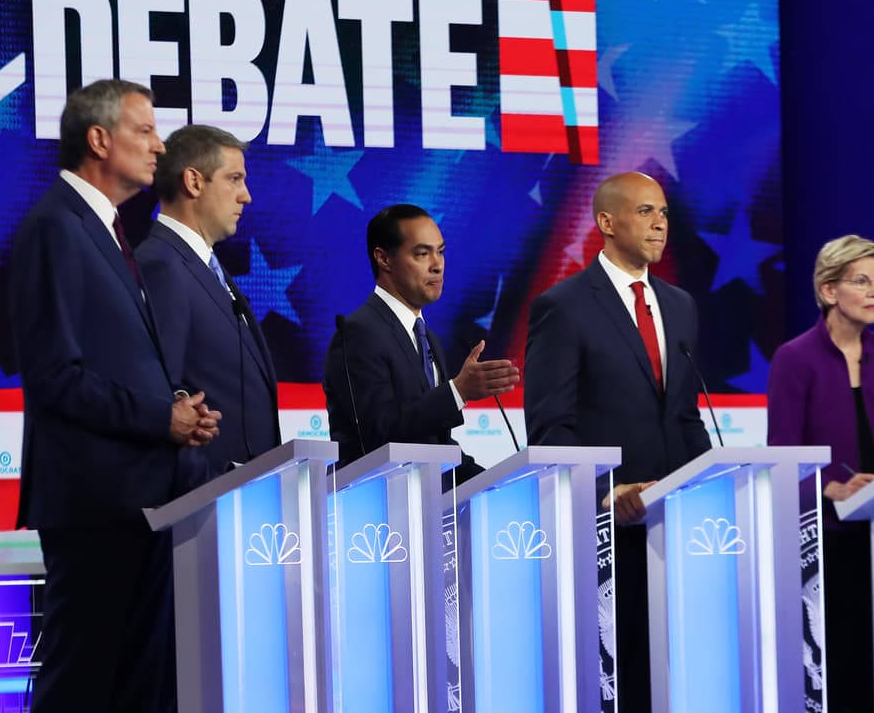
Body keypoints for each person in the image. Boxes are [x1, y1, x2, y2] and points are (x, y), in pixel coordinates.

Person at [9, 80, 220, 712]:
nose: (160, 147)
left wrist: (178, 409)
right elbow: (54, 375)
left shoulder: (105, 230)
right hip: (96, 504)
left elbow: (115, 360)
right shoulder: (56, 226)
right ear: (99, 139)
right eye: (145, 130)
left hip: (139, 499)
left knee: (134, 688)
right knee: (84, 685)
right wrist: (161, 418)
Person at [524, 171, 712, 712]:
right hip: (605, 536)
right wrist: (606, 494)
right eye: (645, 211)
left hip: (676, 529)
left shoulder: (680, 305)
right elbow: (550, 427)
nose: (660, 224)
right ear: (607, 222)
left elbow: (684, 416)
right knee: (617, 684)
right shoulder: (563, 305)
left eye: (664, 213)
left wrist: (711, 486)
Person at [766, 234, 874, 713]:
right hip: (826, 539)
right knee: (838, 665)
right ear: (829, 290)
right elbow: (783, 456)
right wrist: (830, 487)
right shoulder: (795, 358)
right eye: (862, 281)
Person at [322, 204, 519, 475]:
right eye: (422, 254)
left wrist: (498, 483)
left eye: (441, 252)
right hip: (378, 497)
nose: (437, 265)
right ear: (384, 259)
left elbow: (435, 447)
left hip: (428, 495)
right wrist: (457, 392)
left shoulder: (428, 338)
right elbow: (378, 435)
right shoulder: (358, 333)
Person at [136, 124, 281, 487]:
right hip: (204, 495)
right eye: (234, 179)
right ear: (194, 182)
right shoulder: (161, 265)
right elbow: (156, 394)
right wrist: (204, 482)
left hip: (244, 492)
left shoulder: (204, 266)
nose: (246, 196)